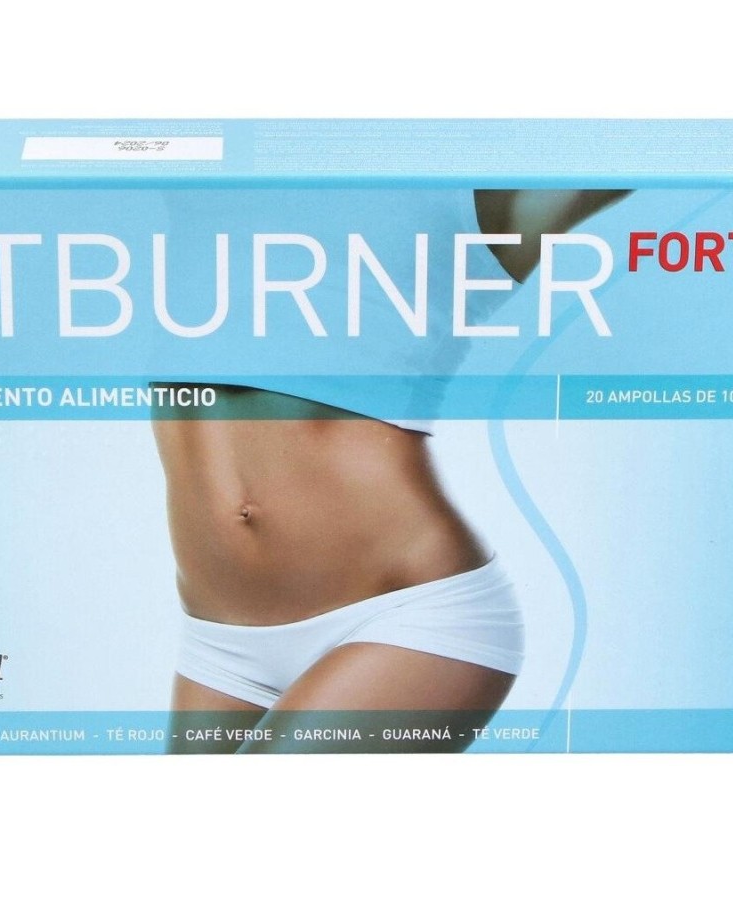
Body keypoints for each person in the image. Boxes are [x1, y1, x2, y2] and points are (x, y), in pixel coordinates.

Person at [153, 188, 629, 753]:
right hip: (218, 642)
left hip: (406, 617)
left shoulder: (466, 194)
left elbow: (624, 158)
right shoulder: (215, 175)